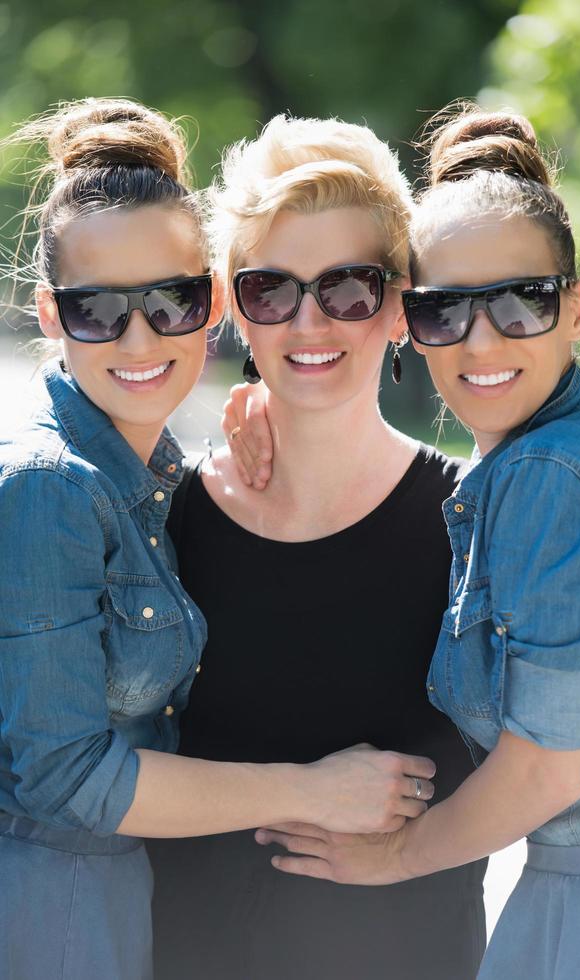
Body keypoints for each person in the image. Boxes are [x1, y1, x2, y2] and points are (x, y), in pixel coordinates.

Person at [0, 99, 435, 980]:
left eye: (172, 300)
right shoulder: (55, 486)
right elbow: (65, 778)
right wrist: (311, 790)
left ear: (211, 306)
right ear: (50, 314)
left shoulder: (153, 477)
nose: (139, 337)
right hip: (66, 921)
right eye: (96, 310)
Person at [254, 107, 580, 979]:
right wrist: (271, 413)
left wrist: (391, 859)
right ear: (408, 322)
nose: (480, 341)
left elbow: (549, 769)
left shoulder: (552, 478)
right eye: (444, 311)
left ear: (576, 306)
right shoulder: (564, 454)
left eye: (521, 302)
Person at [148, 114, 488, 980]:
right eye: (273, 290)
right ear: (233, 307)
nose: (309, 323)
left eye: (346, 288)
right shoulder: (162, 517)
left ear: (401, 306)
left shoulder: (478, 518)